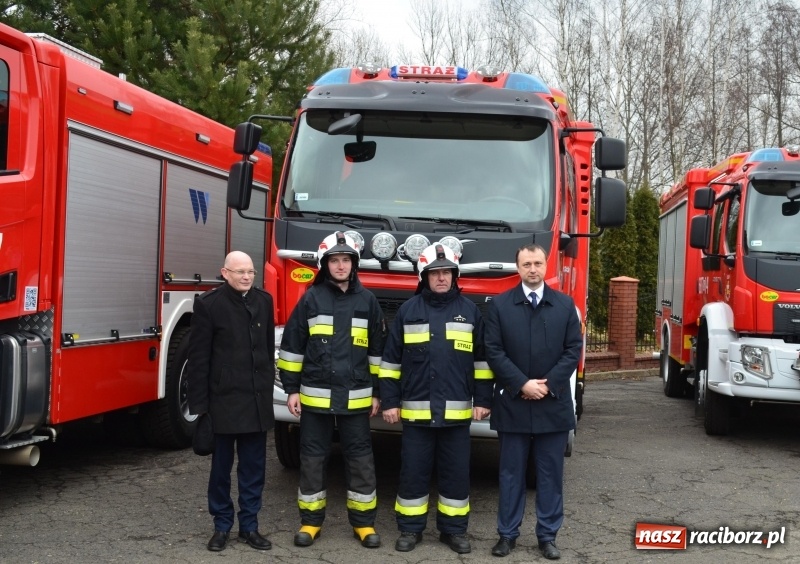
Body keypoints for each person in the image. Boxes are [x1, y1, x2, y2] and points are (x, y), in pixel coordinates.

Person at [379, 243, 494, 554]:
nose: (441, 278)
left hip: (456, 416)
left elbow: (482, 363)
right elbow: (390, 363)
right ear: (424, 276)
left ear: (454, 276)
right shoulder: (408, 311)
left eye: (446, 272)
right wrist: (389, 402)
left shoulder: (469, 312)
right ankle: (410, 530)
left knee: (456, 473)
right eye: (435, 273)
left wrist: (483, 401)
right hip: (416, 415)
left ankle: (454, 531)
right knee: (413, 472)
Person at [277, 231, 385, 549]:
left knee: (360, 459)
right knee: (312, 458)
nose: (340, 266)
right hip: (314, 397)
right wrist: (292, 390)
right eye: (334, 260)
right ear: (326, 265)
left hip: (357, 398)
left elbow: (378, 353)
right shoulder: (311, 299)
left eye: (346, 260)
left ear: (354, 264)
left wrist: (378, 392)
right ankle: (310, 522)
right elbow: (293, 348)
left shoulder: (368, 301)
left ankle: (364, 524)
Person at [484, 244, 582, 560]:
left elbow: (572, 350)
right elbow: (494, 351)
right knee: (510, 474)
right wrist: (522, 384)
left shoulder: (565, 306)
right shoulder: (499, 306)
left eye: (538, 263)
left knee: (550, 475)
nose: (533, 269)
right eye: (526, 264)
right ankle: (507, 535)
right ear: (518, 267)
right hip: (513, 402)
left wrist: (547, 385)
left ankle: (548, 537)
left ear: (546, 264)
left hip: (552, 404)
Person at [187, 251, 275, 552]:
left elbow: (265, 352)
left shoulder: (264, 301)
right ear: (225, 273)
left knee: (253, 470)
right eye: (240, 272)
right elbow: (199, 359)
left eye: (250, 271)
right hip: (222, 404)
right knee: (220, 471)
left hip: (255, 402)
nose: (247, 277)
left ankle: (249, 527)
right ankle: (222, 526)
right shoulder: (209, 305)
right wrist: (200, 409)